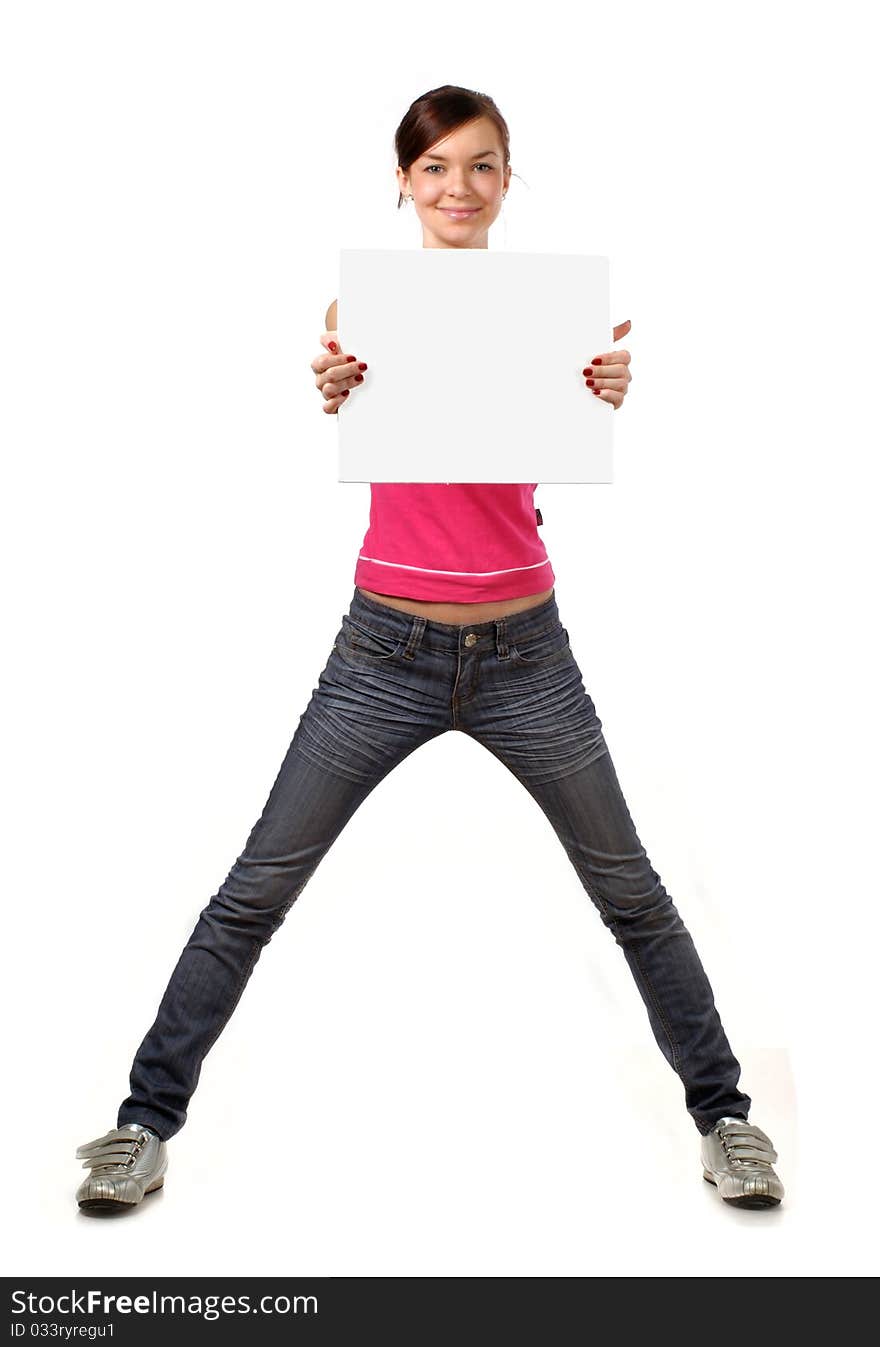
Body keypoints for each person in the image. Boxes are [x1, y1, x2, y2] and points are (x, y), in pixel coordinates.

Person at [75, 84, 783, 1214]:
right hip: (382, 653)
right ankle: (142, 1126)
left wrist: (601, 389)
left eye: (483, 166)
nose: (459, 188)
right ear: (403, 182)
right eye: (436, 167)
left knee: (630, 892)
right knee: (255, 889)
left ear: (509, 180)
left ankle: (727, 1120)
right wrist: (337, 389)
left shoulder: (558, 313)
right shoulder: (363, 308)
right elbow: (360, 406)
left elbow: (540, 443)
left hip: (525, 655)